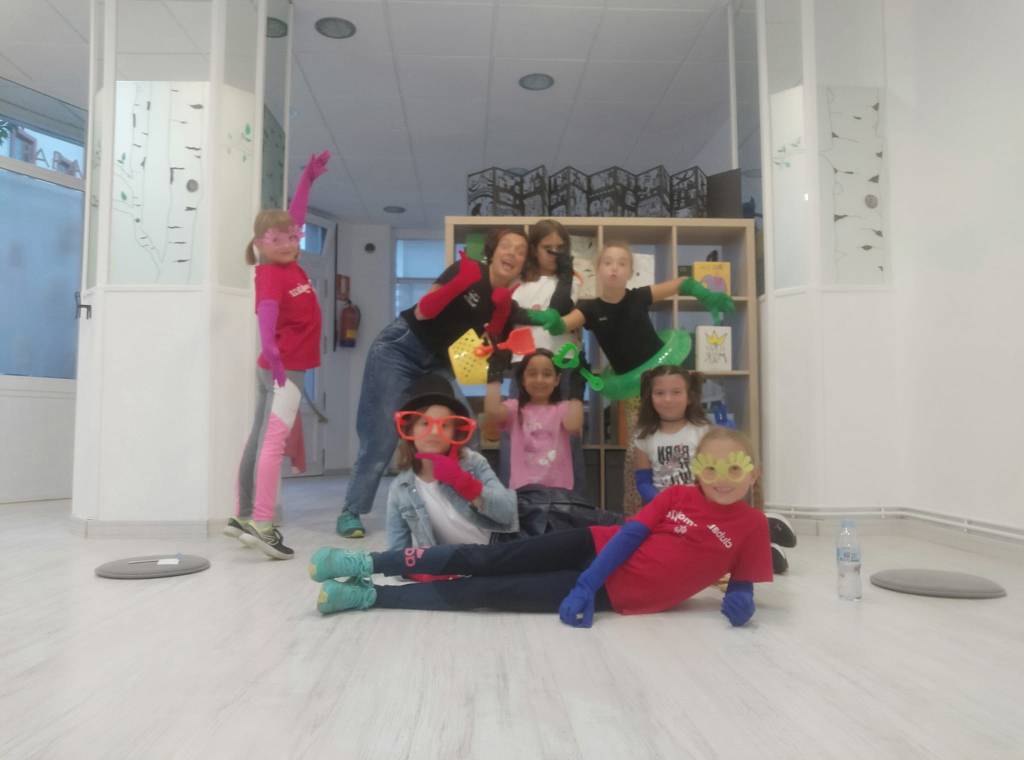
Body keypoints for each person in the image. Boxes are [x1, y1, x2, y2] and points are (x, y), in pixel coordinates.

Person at [308, 427, 773, 629]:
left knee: (489, 593)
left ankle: (369, 595)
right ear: (698, 471)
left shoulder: (752, 526)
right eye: (712, 469)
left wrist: (742, 604)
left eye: (735, 469)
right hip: (592, 548)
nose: (723, 480)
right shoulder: (676, 497)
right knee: (488, 560)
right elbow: (630, 536)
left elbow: (743, 584)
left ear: (754, 474)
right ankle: (365, 562)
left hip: (613, 594)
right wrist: (587, 582)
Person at [336, 229, 530, 539]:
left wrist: (492, 342)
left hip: (439, 364)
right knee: (383, 433)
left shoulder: (505, 304)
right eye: (507, 246)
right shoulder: (468, 270)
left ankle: (459, 505)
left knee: (465, 430)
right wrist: (459, 283)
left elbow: (490, 349)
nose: (512, 253)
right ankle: (352, 510)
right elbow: (423, 311)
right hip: (401, 349)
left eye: (520, 251)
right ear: (493, 252)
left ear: (523, 264)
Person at [224, 150, 330, 559]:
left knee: (258, 437)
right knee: (273, 442)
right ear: (260, 244)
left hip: (276, 367)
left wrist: (307, 179)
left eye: (291, 237)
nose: (287, 242)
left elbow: (295, 215)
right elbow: (265, 319)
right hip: (285, 367)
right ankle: (263, 523)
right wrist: (276, 358)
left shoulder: (289, 265)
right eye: (277, 239)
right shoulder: (270, 275)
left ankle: (242, 516)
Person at [377, 374, 518, 553]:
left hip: (496, 552)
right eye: (424, 423)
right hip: (451, 564)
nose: (435, 432)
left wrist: (465, 484)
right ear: (410, 429)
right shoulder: (400, 488)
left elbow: (507, 513)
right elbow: (397, 554)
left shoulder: (473, 462)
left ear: (455, 432)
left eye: (444, 425)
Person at [499, 220, 586, 491]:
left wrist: (566, 273)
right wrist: (539, 318)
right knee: (516, 434)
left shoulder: (573, 280)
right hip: (523, 366)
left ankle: (572, 501)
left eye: (561, 248)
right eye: (548, 248)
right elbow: (508, 312)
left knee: (568, 437)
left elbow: (560, 309)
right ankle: (514, 500)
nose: (555, 254)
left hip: (562, 365)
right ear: (534, 249)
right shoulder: (518, 281)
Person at [485, 349, 585, 492]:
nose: (539, 380)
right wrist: (494, 376)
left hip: (559, 493)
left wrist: (577, 392)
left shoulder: (563, 408)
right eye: (532, 374)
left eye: (547, 374)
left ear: (557, 380)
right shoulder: (514, 408)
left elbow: (574, 426)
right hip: (523, 493)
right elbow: (492, 412)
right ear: (522, 380)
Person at [632, 366, 710, 502]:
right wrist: (662, 503)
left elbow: (712, 476)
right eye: (659, 393)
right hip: (660, 507)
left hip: (698, 505)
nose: (667, 399)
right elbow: (643, 483)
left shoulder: (703, 431)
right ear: (650, 398)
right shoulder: (643, 436)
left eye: (676, 392)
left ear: (689, 397)